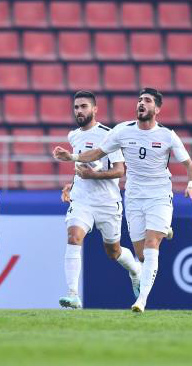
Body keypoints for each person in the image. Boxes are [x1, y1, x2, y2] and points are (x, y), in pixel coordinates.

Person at [54, 87, 192, 313]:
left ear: (157, 109)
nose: (142, 103)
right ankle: (73, 294)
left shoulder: (164, 135)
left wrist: (191, 185)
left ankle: (141, 298)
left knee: (136, 249)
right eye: (140, 100)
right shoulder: (116, 132)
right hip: (122, 197)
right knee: (86, 240)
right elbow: (92, 158)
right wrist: (72, 172)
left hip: (144, 196)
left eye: (148, 101)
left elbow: (188, 166)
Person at [58, 91, 141, 309]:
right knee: (74, 236)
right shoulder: (73, 136)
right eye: (76, 107)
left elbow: (119, 171)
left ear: (95, 109)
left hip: (107, 202)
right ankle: (73, 294)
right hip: (82, 199)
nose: (79, 111)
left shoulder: (109, 135)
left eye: (84, 106)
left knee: (113, 252)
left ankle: (135, 270)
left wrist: (93, 175)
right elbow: (80, 168)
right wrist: (72, 183)